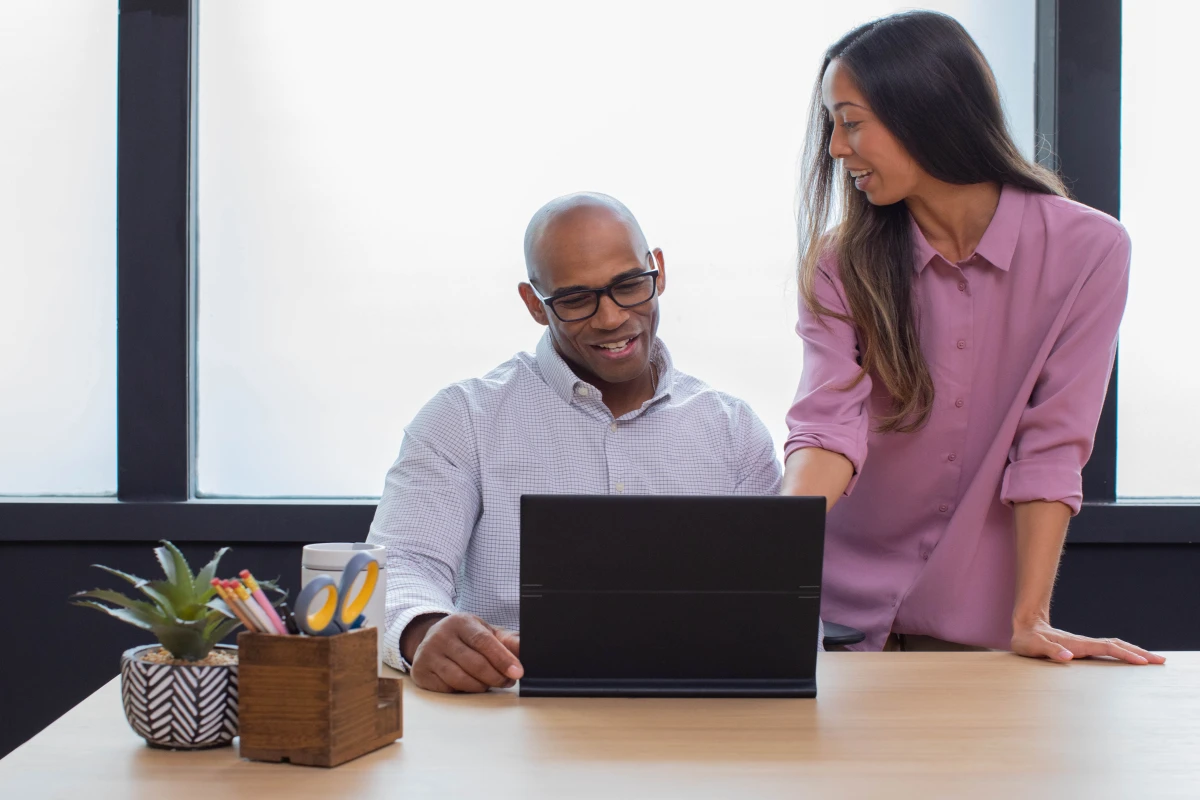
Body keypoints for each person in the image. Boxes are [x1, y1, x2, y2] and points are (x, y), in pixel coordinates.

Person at [782, 11, 1163, 664]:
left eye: (850, 122)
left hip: (969, 631)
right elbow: (826, 426)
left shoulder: (1090, 251)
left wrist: (1030, 617)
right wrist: (761, 563)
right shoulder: (839, 264)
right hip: (830, 618)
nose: (837, 150)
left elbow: (1053, 441)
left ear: (923, 111)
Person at [367, 192, 786, 693]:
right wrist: (423, 629)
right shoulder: (464, 419)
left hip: (694, 722)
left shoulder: (733, 431)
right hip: (509, 714)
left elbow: (782, 603)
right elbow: (400, 565)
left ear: (658, 271)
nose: (610, 319)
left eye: (629, 285)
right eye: (574, 299)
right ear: (534, 305)